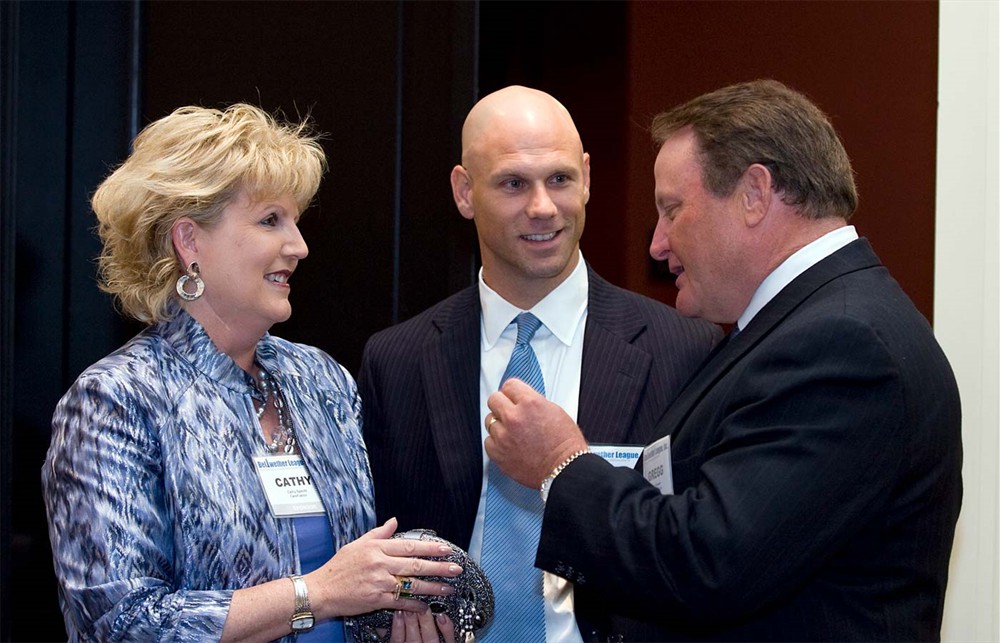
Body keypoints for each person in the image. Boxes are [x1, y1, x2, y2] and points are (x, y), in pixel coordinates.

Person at [484, 79, 963, 641]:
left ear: (754, 194)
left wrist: (562, 464)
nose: (657, 245)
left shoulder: (844, 343)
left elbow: (708, 562)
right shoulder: (788, 329)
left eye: (672, 209)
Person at [42, 104, 458, 643]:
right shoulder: (116, 400)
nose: (299, 246)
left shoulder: (320, 380)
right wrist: (318, 593)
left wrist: (404, 615)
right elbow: (120, 625)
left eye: (295, 221)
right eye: (270, 221)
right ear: (189, 242)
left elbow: (358, 588)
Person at [358, 85, 721, 642]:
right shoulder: (398, 360)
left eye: (559, 179)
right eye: (512, 184)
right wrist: (406, 615)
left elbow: (701, 553)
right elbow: (383, 545)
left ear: (587, 177)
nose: (543, 207)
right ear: (463, 191)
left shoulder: (681, 350)